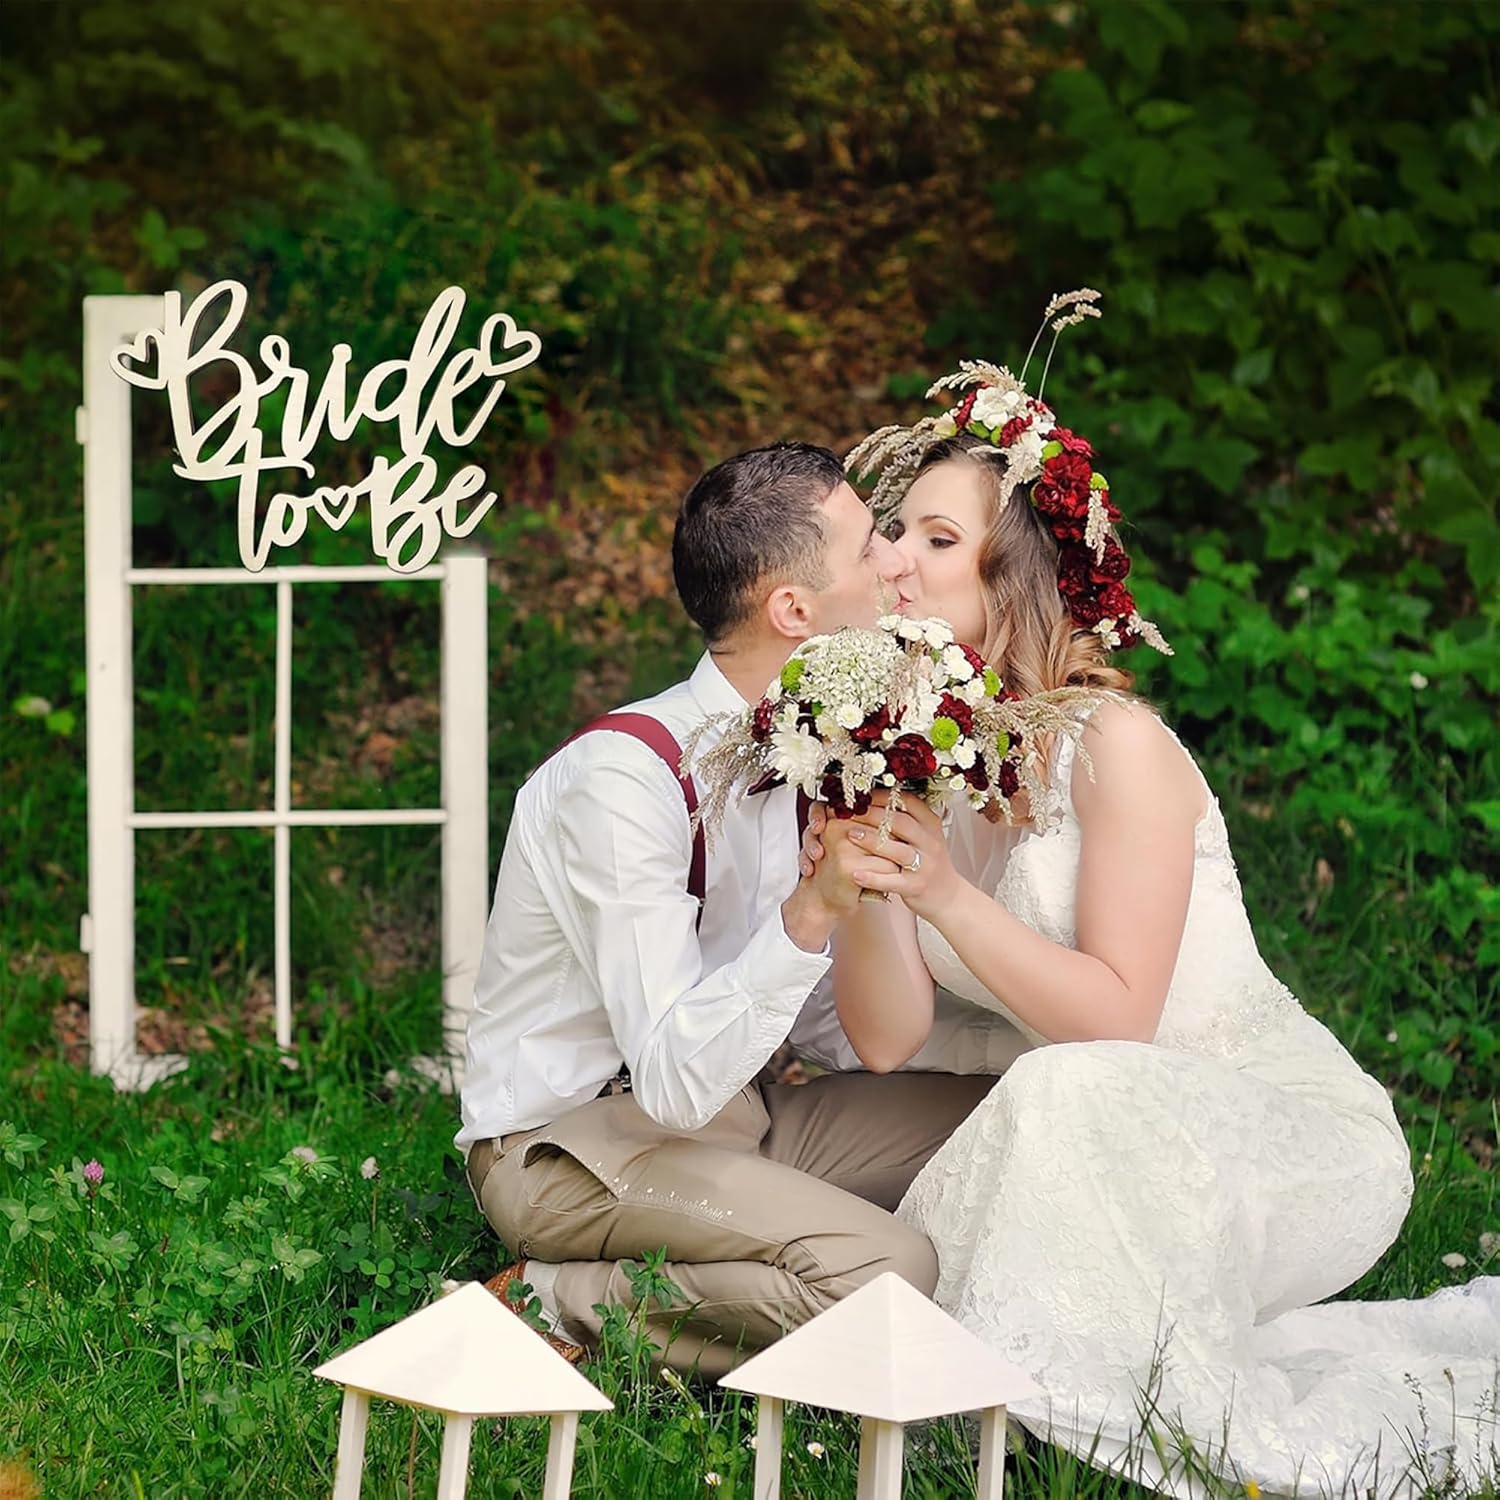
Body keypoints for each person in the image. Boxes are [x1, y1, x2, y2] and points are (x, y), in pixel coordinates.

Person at [803, 362, 1500, 1496]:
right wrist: (862, 874)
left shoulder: (1112, 743)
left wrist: (946, 898)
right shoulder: (911, 760)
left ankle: (1048, 1428)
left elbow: (1121, 1020)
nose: (898, 565)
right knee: (1018, 1110)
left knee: (1048, 1094)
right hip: (1085, 1138)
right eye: (896, 535)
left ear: (1015, 568)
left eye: (938, 539)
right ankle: (996, 1410)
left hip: (1267, 1129)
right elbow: (886, 1044)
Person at [456, 441, 1028, 1378]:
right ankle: (553, 1296)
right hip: (573, 1148)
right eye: (866, 547)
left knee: (1023, 1119)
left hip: (740, 1115)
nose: (895, 561)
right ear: (794, 610)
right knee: (886, 1268)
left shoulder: (825, 747)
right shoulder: (624, 780)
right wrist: (811, 912)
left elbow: (828, 1032)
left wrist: (1046, 1051)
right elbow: (673, 1084)